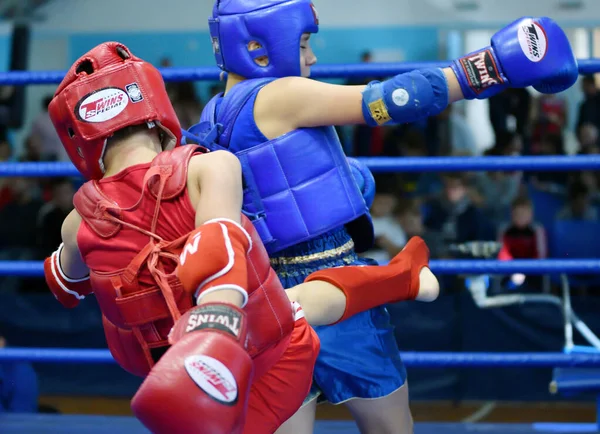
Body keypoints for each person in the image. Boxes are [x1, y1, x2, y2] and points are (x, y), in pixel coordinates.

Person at [196, 3, 578, 432]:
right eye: (304, 44)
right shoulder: (279, 93)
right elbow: (386, 101)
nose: (313, 58)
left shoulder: (212, 115)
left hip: (269, 291)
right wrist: (492, 68)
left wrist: (338, 183)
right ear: (258, 49)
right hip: (334, 282)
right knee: (392, 428)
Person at [43, 42, 439, 434]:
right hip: (253, 343)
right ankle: (404, 277)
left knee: (296, 306)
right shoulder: (207, 167)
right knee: (298, 306)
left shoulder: (77, 222)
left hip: (188, 362)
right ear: (155, 107)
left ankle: (403, 277)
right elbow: (221, 244)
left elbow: (64, 286)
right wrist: (217, 327)